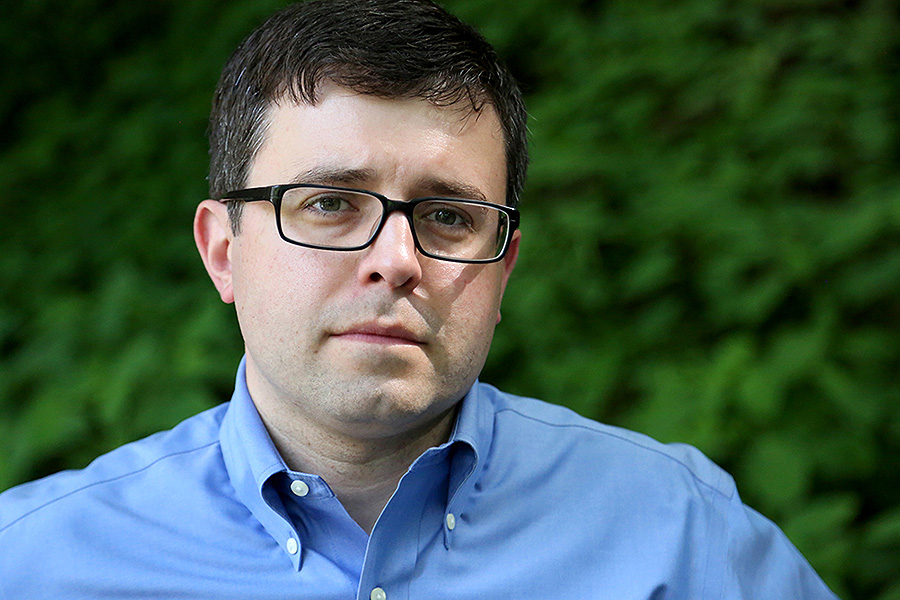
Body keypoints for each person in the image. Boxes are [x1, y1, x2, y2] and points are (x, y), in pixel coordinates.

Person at [0, 0, 839, 598]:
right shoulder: (34, 566)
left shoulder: (677, 533)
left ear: (503, 271)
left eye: (448, 217)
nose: (397, 261)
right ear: (224, 251)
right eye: (331, 203)